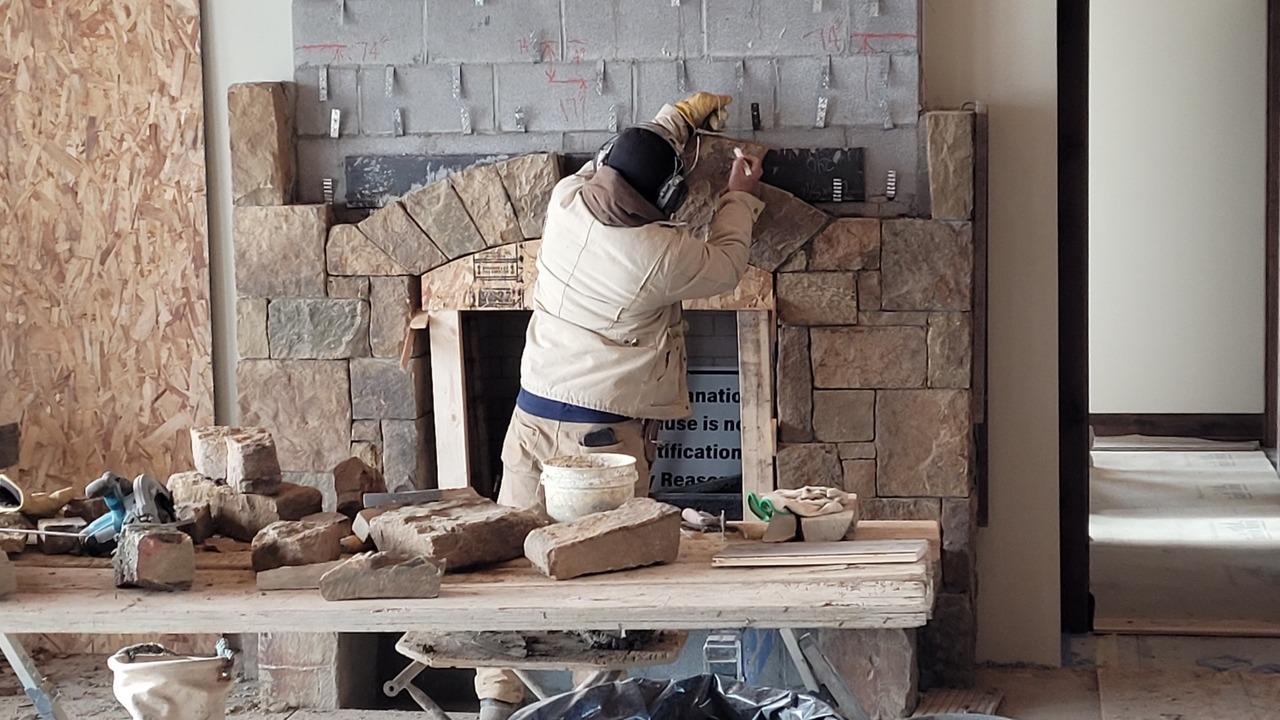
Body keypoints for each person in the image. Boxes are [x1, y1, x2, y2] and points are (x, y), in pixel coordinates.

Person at [475, 93, 764, 720]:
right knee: (599, 583)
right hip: (598, 448)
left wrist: (675, 118)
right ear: (664, 198)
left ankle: (495, 701)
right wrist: (739, 194)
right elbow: (727, 264)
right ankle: (593, 707)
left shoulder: (566, 200)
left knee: (507, 568)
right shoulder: (659, 253)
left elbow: (612, 162)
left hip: (529, 421)